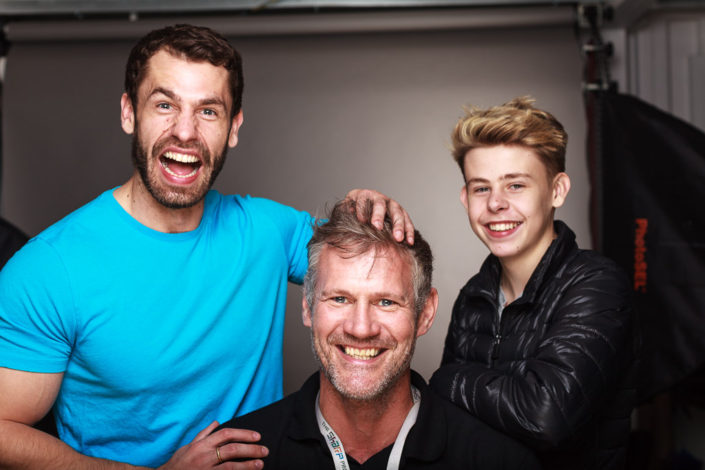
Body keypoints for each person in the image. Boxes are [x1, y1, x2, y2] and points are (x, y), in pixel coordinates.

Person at [0, 24, 414, 470]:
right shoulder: (48, 268)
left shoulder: (269, 231)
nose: (185, 132)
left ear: (233, 127)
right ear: (128, 113)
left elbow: (364, 260)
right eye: (164, 105)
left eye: (208, 112)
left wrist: (365, 207)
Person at [219, 199, 542, 469]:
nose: (361, 328)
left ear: (425, 313)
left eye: (386, 302)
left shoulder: (498, 461)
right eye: (340, 299)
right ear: (307, 307)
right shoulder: (235, 457)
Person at [429, 97, 636, 470]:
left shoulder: (598, 286)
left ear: (557, 191)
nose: (495, 204)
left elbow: (546, 416)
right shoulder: (473, 296)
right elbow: (445, 427)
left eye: (516, 185)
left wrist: (447, 378)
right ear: (465, 198)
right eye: (481, 188)